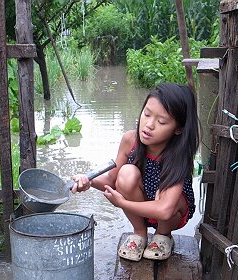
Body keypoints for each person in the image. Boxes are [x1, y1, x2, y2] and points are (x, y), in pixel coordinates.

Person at [72, 82, 199, 261]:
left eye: (161, 121)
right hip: (141, 204)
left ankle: (163, 236)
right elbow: (111, 178)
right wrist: (89, 180)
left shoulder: (179, 155)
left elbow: (164, 210)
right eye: (146, 114)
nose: (149, 125)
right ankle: (140, 233)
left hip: (170, 214)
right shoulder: (129, 140)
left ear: (179, 129)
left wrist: (122, 203)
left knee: (164, 192)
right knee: (126, 173)